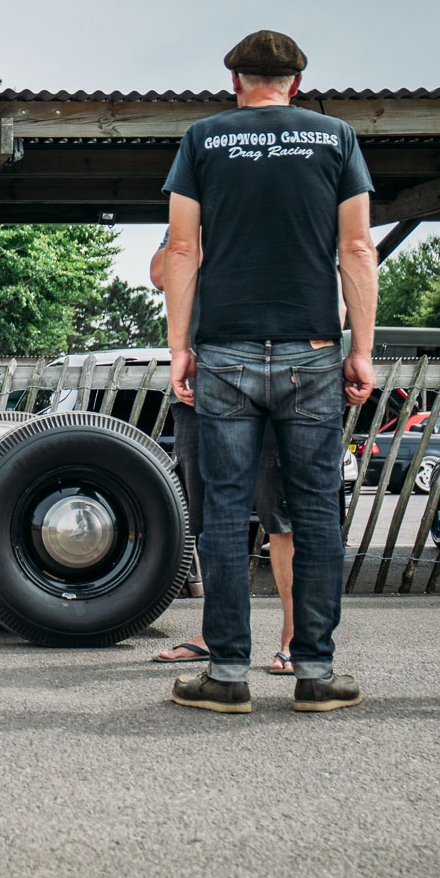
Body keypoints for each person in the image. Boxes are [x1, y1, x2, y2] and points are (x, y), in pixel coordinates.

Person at [162, 29, 377, 714]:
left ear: (235, 81)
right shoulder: (336, 138)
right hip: (311, 350)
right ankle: (315, 672)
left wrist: (179, 347)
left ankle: (226, 675)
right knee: (315, 512)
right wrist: (361, 348)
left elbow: (183, 250)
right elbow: (356, 247)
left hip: (224, 350)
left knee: (223, 513)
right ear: (297, 83)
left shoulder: (203, 139)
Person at [150, 232, 299, 675]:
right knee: (212, 520)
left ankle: (296, 638)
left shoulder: (283, 198)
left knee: (282, 518)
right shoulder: (191, 214)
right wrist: (200, 229)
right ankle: (216, 634)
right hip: (199, 387)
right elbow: (161, 273)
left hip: (271, 379)